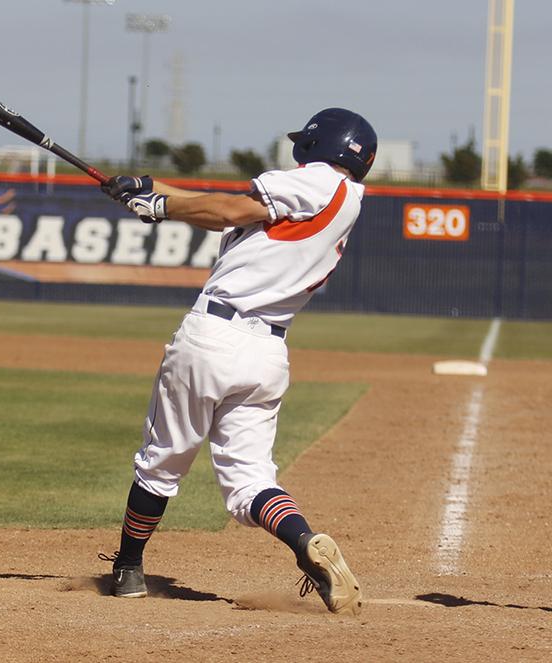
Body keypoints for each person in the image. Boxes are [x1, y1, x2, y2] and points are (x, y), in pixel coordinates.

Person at [99, 108, 376, 616]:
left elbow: (228, 211)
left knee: (161, 462)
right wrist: (148, 185)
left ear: (320, 146)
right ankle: (305, 541)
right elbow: (232, 206)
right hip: (267, 353)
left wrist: (160, 206)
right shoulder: (344, 201)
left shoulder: (310, 181)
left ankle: (129, 569)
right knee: (250, 481)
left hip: (213, 337)